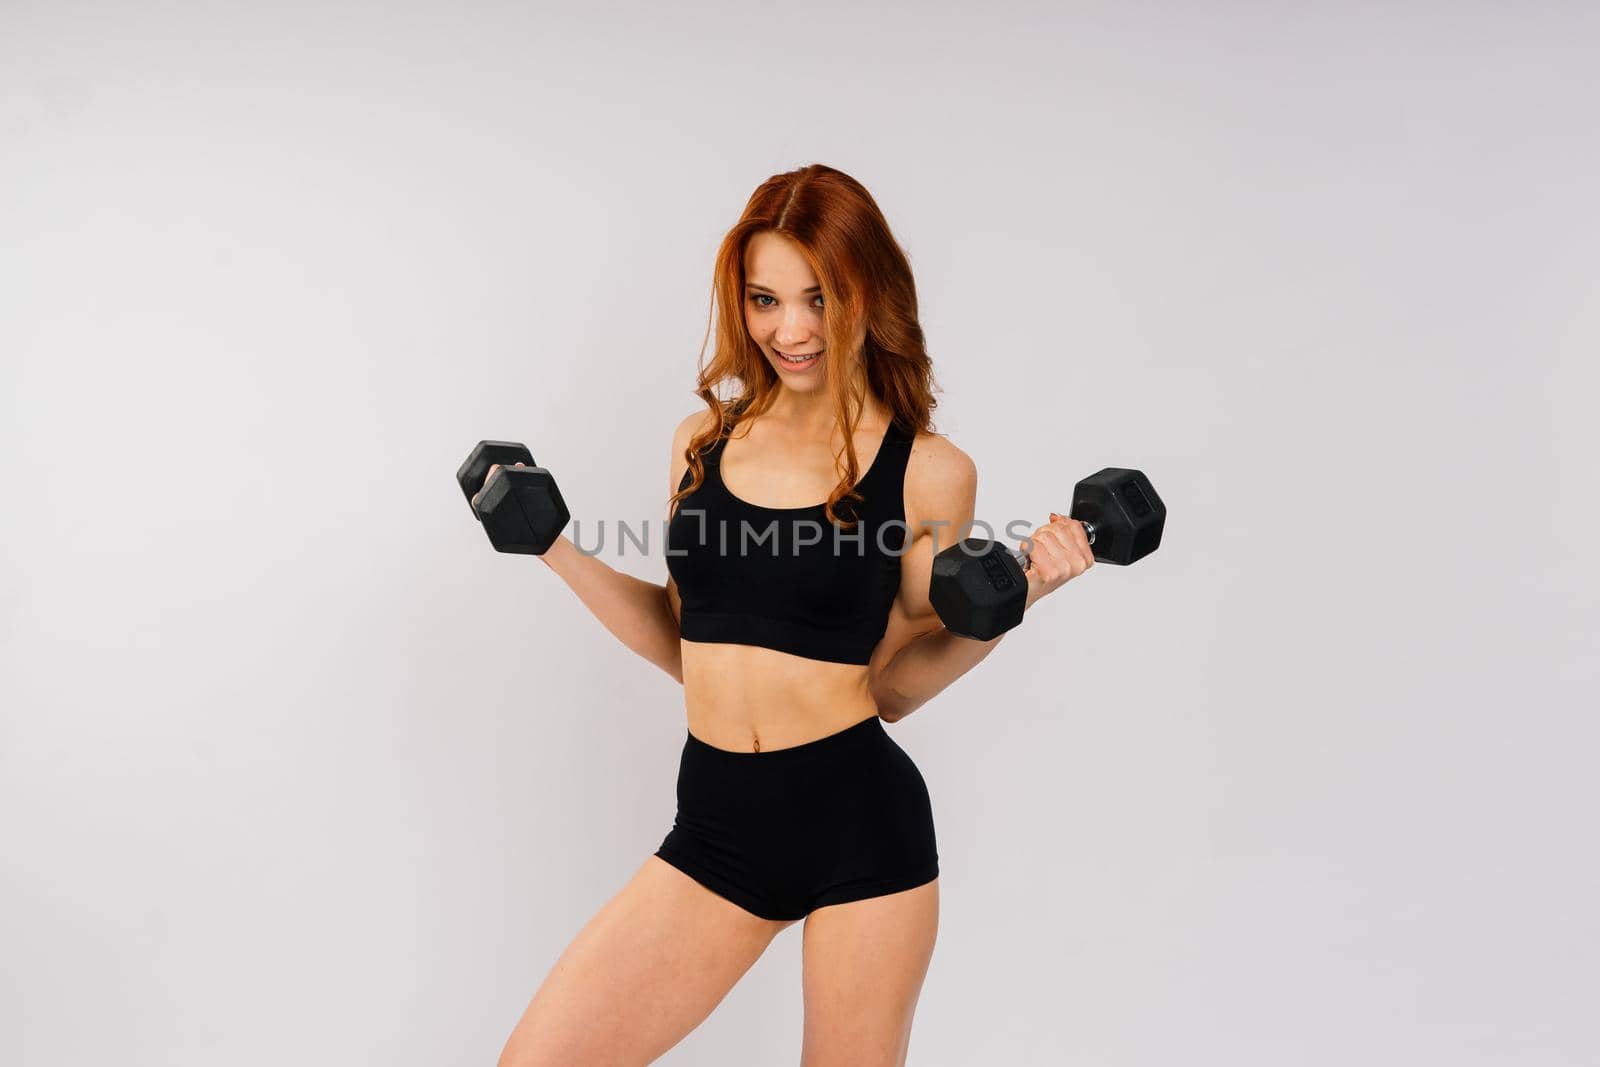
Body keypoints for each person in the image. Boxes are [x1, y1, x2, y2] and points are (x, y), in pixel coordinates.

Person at [490, 164, 1095, 1066]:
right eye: (766, 299)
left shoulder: (927, 469)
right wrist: (555, 549)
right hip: (719, 829)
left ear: (866, 292)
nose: (792, 329)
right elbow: (687, 637)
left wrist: (1024, 593)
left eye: (819, 297)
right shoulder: (701, 444)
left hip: (859, 827)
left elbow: (891, 685)